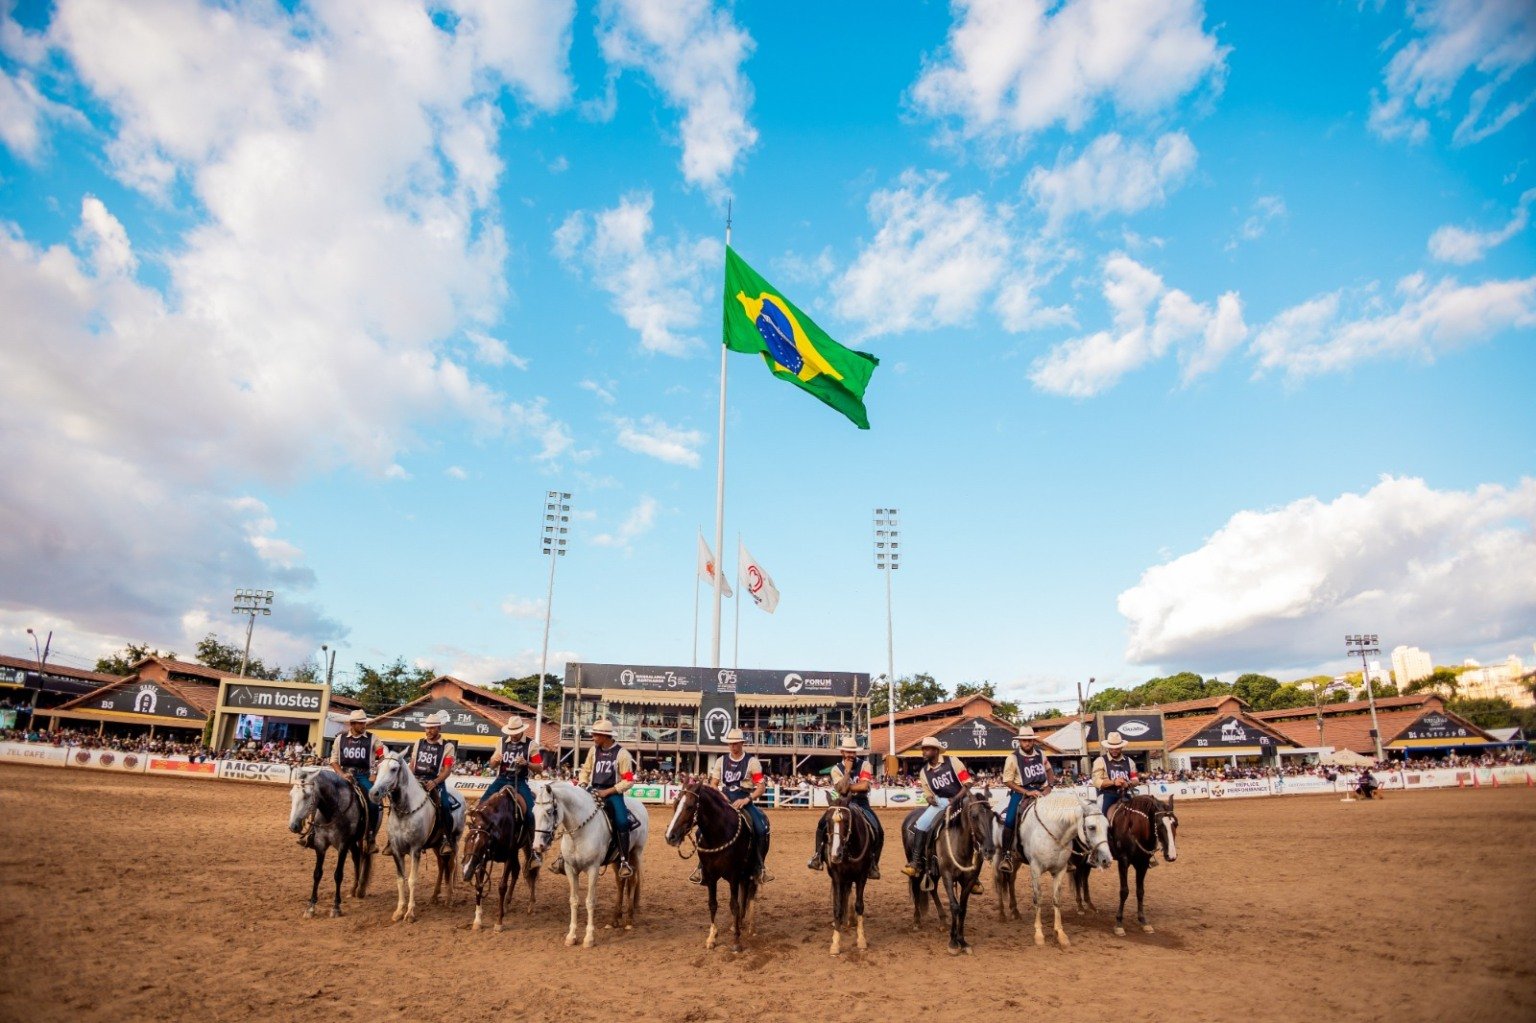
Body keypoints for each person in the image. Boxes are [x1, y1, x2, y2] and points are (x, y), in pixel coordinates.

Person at [902, 736, 983, 892]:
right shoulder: (924, 772)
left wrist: (956, 799)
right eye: (923, 749)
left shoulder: (953, 761)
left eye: (926, 749)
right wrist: (930, 798)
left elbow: (967, 783)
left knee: (974, 824)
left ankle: (974, 875)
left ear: (935, 750)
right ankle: (916, 863)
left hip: (962, 799)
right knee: (921, 824)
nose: (923, 752)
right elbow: (927, 793)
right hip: (940, 803)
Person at [807, 735, 882, 879]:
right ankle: (817, 856)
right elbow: (841, 790)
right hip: (840, 803)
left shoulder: (865, 765)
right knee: (822, 824)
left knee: (878, 828)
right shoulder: (836, 769)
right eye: (848, 752)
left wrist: (848, 786)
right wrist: (847, 772)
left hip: (861, 802)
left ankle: (873, 863)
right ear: (842, 753)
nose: (851, 755)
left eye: (853, 752)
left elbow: (865, 786)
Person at [705, 728, 771, 885]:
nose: (733, 746)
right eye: (730, 744)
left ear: (742, 743)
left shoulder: (752, 762)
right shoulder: (721, 761)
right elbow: (713, 784)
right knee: (703, 828)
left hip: (744, 799)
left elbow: (761, 787)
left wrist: (747, 799)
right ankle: (702, 866)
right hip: (724, 799)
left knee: (761, 828)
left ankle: (759, 867)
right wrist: (722, 797)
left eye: (735, 743)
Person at [577, 718, 635, 878]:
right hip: (592, 790)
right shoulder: (593, 750)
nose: (593, 737)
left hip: (613, 794)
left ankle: (624, 860)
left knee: (623, 822)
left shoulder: (623, 754)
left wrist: (608, 791)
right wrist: (582, 783)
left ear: (605, 736)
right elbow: (585, 770)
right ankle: (564, 857)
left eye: (595, 734)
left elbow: (629, 780)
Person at [481, 716, 544, 863]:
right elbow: (491, 764)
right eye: (511, 732)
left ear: (521, 730)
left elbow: (539, 768)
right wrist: (494, 761)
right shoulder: (501, 742)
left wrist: (527, 763)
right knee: (481, 805)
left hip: (520, 781)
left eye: (515, 732)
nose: (513, 735)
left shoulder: (531, 745)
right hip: (501, 778)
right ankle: (482, 840)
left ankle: (533, 851)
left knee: (530, 813)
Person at [997, 725, 1055, 876]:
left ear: (1033, 741)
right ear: (1020, 742)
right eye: (1024, 741)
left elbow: (1049, 770)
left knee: (1061, 815)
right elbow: (1008, 781)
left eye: (1029, 740)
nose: (1027, 743)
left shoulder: (1041, 754)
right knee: (1009, 820)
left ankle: (1065, 856)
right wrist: (1027, 792)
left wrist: (1050, 786)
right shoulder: (1013, 758)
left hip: (1042, 791)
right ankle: (1007, 855)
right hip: (1021, 792)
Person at [328, 708, 381, 851]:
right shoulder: (340, 739)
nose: (364, 726)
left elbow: (383, 756)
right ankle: (314, 832)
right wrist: (341, 774)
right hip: (344, 775)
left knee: (374, 800)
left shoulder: (373, 738)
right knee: (322, 794)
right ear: (352, 724)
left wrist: (375, 772)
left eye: (364, 723)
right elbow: (333, 760)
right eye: (360, 723)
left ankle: (370, 837)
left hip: (364, 776)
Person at [409, 710, 458, 850]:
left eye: (432, 728)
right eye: (427, 727)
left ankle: (447, 839)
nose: (428, 731)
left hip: (436, 782)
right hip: (417, 780)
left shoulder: (448, 746)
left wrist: (435, 782)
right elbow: (412, 765)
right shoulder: (418, 743)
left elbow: (447, 770)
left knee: (445, 806)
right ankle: (393, 838)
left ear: (439, 728)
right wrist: (409, 779)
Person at [1092, 730, 1138, 822]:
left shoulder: (1130, 761)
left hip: (1125, 794)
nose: (1114, 751)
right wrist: (1113, 782)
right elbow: (1096, 781)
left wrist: (1128, 783)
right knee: (1102, 819)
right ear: (1108, 748)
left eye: (1117, 748)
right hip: (1107, 795)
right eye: (1111, 748)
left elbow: (1135, 780)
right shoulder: (1100, 761)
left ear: (1121, 747)